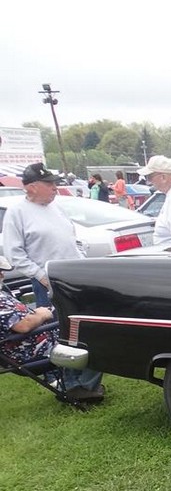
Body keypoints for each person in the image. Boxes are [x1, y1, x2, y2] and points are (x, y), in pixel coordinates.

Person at [0, 221, 105, 403]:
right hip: (28, 351)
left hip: (42, 335)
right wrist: (41, 315)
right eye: (0, 271)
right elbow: (22, 326)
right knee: (96, 338)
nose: (2, 275)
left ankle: (75, 384)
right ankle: (82, 388)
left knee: (87, 325)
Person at [2, 163, 82, 307]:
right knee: (56, 325)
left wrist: (81, 259)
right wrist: (41, 276)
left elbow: (73, 238)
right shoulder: (17, 213)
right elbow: (14, 254)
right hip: (46, 283)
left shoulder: (56, 207)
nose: (55, 187)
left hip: (75, 276)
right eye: (49, 183)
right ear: (32, 187)